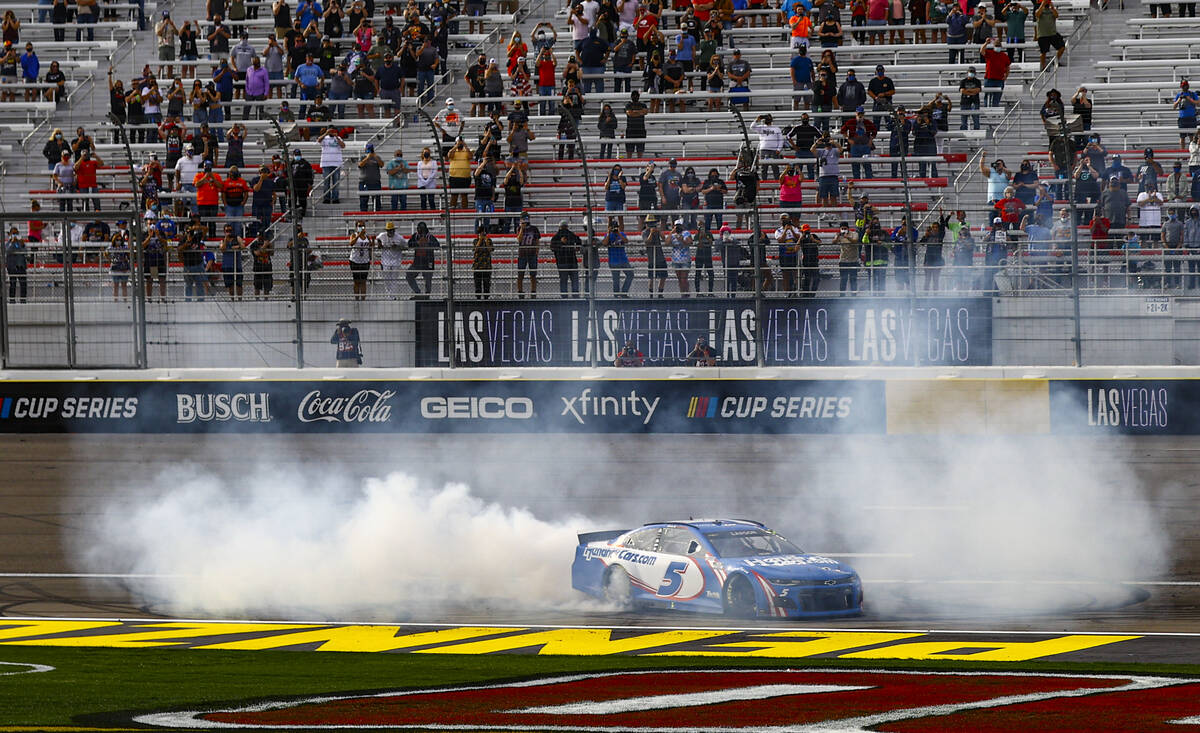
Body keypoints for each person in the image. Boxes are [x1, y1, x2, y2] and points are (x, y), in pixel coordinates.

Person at [406, 221, 439, 298]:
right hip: (418, 261)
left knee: (428, 279)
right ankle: (417, 292)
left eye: (423, 230)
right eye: (420, 230)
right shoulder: (415, 236)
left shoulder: (430, 237)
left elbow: (437, 245)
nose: (422, 233)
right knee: (409, 275)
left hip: (428, 261)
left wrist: (428, 243)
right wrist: (417, 243)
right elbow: (409, 244)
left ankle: (427, 295)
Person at [550, 220, 581, 297]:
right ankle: (575, 295)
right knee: (574, 279)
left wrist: (560, 243)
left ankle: (565, 296)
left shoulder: (556, 236)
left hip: (562, 261)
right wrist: (577, 247)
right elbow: (579, 241)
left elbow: (552, 247)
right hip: (571, 260)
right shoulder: (570, 234)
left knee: (564, 280)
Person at [605, 218, 633, 295]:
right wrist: (608, 232)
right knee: (616, 279)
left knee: (630, 274)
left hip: (623, 259)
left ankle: (624, 292)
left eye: (616, 227)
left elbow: (626, 241)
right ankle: (616, 295)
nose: (615, 228)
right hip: (613, 261)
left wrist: (619, 233)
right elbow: (604, 243)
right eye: (613, 227)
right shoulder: (608, 235)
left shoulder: (622, 234)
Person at [1034, 0, 1065, 71]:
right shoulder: (1038, 10)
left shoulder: (1052, 10)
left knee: (1062, 47)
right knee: (1043, 52)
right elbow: (1037, 15)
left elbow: (1056, 15)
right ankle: (1043, 67)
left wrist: (1052, 7)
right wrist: (1042, 5)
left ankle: (1055, 60)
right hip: (1043, 34)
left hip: (1053, 33)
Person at [317, 126, 345, 204]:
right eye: (330, 131)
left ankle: (335, 198)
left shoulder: (338, 138)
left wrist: (336, 137)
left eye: (333, 130)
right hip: (326, 163)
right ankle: (326, 198)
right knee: (326, 182)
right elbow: (319, 140)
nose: (332, 132)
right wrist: (326, 133)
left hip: (336, 163)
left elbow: (343, 146)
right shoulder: (325, 138)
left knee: (336, 182)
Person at [980, 38, 1011, 107]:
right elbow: (982, 51)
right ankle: (986, 112)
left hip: (999, 80)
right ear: (994, 46)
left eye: (999, 45)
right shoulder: (989, 53)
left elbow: (1007, 67)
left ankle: (994, 114)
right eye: (996, 45)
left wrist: (1006, 75)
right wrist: (986, 43)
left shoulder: (1004, 55)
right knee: (987, 97)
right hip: (989, 79)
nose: (997, 47)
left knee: (996, 99)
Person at [347, 220, 372, 300]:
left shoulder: (367, 236)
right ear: (356, 227)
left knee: (364, 281)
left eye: (363, 226)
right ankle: (356, 298)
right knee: (356, 281)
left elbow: (370, 246)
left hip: (365, 260)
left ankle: (363, 298)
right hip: (355, 260)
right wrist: (358, 235)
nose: (361, 227)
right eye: (359, 226)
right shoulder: (354, 235)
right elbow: (351, 243)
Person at [471, 223, 494, 299]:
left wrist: (486, 240)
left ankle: (486, 298)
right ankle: (478, 298)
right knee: (477, 285)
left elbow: (490, 249)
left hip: (486, 266)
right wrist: (480, 239)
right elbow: (476, 249)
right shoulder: (475, 241)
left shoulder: (489, 240)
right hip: (478, 266)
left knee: (487, 284)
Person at [5, 228, 27, 304]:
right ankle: (12, 300)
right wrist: (12, 242)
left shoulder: (21, 243)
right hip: (12, 266)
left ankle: (23, 300)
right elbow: (7, 251)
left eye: (16, 233)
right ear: (10, 234)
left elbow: (25, 251)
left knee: (23, 283)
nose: (15, 235)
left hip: (21, 265)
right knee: (13, 283)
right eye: (13, 233)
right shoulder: (8, 243)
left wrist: (22, 243)